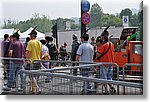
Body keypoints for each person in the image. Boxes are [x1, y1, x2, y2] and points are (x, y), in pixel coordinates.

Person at [25, 28, 42, 94]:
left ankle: (37, 88)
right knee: (35, 77)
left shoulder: (30, 42)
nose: (29, 36)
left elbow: (28, 53)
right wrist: (40, 61)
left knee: (32, 76)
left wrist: (26, 59)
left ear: (32, 35)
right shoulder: (39, 42)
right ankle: (33, 90)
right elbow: (41, 53)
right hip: (37, 61)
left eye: (30, 35)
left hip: (31, 62)